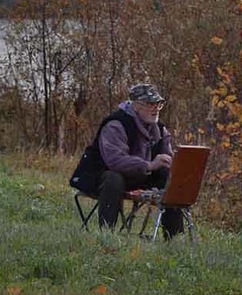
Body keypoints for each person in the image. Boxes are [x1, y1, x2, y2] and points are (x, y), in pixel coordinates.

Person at [69, 82, 185, 238]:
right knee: (113, 178)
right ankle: (106, 235)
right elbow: (115, 161)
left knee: (169, 179)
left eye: (158, 103)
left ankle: (174, 240)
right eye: (150, 104)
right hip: (100, 177)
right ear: (135, 106)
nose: (156, 108)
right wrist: (149, 165)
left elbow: (167, 158)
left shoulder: (160, 129)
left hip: (140, 177)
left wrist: (177, 167)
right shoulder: (116, 124)